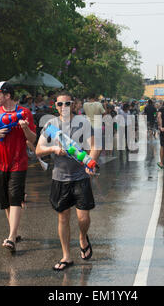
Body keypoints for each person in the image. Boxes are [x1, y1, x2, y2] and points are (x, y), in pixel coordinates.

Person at [36, 91, 100, 271]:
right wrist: (54, 149)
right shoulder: (51, 125)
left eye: (67, 104)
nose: (63, 107)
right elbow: (38, 150)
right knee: (63, 218)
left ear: (73, 104)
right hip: (60, 179)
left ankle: (82, 237)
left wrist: (90, 163)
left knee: (83, 217)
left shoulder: (83, 123)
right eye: (59, 104)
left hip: (80, 176)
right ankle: (66, 256)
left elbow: (95, 146)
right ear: (55, 106)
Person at [0, 81, 36, 253]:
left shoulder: (24, 112)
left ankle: (12, 236)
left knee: (15, 197)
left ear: (7, 95)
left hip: (18, 162)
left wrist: (25, 128)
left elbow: (33, 138)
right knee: (5, 199)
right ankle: (14, 231)